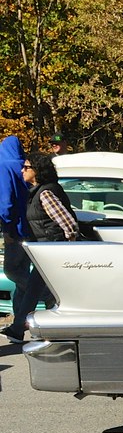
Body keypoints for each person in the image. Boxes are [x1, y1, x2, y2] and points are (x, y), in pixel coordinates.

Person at [6, 152, 77, 343]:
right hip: (46, 249)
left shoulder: (45, 193)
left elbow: (68, 223)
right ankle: (18, 328)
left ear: (37, 171)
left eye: (27, 167)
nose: (22, 170)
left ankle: (24, 328)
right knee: (34, 289)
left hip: (53, 249)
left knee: (42, 290)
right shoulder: (38, 192)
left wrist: (66, 246)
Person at [0, 135, 30, 342]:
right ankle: (18, 326)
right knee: (21, 274)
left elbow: (6, 201)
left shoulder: (3, 166)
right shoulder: (25, 166)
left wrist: (6, 226)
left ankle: (46, 293)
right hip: (31, 228)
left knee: (11, 271)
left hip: (15, 229)